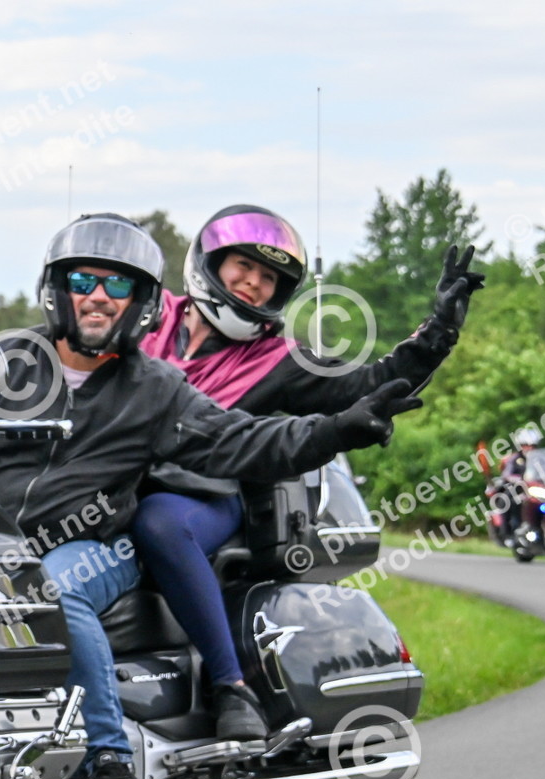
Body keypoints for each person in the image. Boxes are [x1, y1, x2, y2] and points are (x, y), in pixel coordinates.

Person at [0, 213, 424, 779]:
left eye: (117, 285)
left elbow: (248, 440)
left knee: (55, 590)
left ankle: (110, 763)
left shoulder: (155, 388)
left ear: (141, 302)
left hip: (101, 540)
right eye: (83, 280)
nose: (98, 295)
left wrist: (339, 429)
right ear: (57, 288)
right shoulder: (5, 362)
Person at [134, 205, 484, 741]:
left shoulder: (279, 360)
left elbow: (372, 383)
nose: (253, 283)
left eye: (268, 277)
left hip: (205, 497)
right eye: (243, 266)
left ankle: (230, 686)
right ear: (210, 263)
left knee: (161, 523)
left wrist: (438, 332)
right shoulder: (146, 317)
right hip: (111, 481)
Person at [491, 427, 541, 545]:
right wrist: (516, 478)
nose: (529, 448)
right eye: (525, 445)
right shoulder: (514, 458)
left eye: (532, 445)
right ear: (520, 446)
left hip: (537, 489)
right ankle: (507, 534)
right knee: (506, 501)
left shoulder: (540, 459)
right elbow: (506, 474)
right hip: (517, 489)